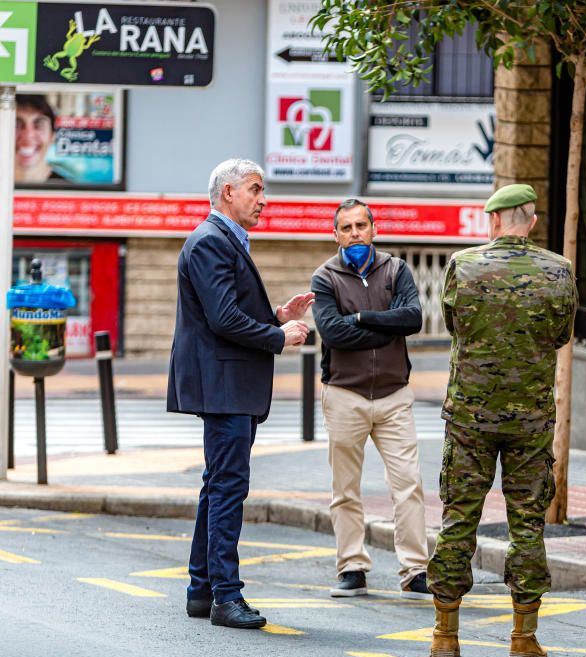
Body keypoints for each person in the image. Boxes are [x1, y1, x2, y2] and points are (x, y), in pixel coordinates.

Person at [426, 184, 577, 657]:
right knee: (527, 526)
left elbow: (454, 324)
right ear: (531, 221)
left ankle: (444, 634)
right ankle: (523, 638)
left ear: (494, 221)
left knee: (457, 522)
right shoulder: (558, 270)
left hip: (469, 417)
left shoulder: (462, 266)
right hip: (530, 420)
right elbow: (562, 334)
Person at [167, 158, 313, 629]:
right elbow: (223, 319)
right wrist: (280, 336)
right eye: (254, 189)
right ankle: (225, 597)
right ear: (228, 192)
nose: (262, 198)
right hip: (225, 386)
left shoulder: (221, 240)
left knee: (218, 486)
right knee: (228, 488)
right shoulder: (211, 241)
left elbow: (229, 309)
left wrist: (274, 314)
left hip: (228, 384)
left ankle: (201, 589)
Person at [310, 198, 432, 600]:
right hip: (345, 395)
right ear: (336, 235)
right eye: (346, 228)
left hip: (395, 395)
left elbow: (412, 319)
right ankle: (352, 568)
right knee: (345, 489)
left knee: (409, 485)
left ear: (373, 229)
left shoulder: (396, 270)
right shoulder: (324, 278)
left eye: (361, 225)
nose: (354, 233)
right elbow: (332, 333)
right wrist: (386, 325)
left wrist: (361, 319)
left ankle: (415, 570)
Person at [15, 95, 65, 184]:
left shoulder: (70, 193)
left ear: (52, 136)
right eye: (16, 125)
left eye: (39, 125)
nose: (28, 136)